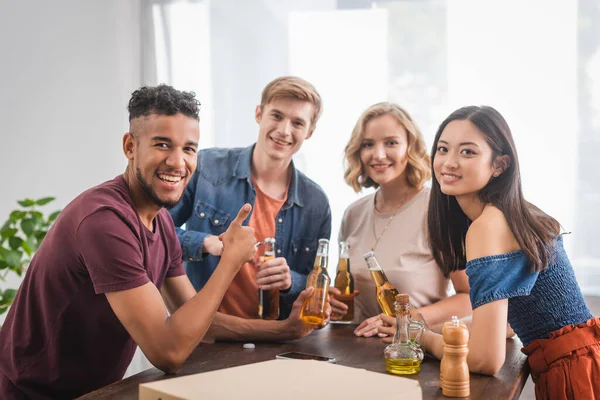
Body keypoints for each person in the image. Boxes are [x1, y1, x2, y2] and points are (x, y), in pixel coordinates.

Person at [0, 85, 322, 400]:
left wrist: (286, 331)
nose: (178, 162)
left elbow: (202, 325)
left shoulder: (162, 220)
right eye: (162, 144)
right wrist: (230, 262)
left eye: (189, 149)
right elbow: (169, 351)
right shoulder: (104, 221)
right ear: (130, 147)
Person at [378, 105, 598, 399]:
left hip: (577, 376)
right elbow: (507, 325)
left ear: (499, 165)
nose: (449, 162)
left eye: (467, 152)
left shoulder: (488, 226)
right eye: (443, 149)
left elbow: (485, 360)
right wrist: (429, 326)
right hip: (585, 363)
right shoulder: (509, 215)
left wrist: (419, 337)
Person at [169, 76, 332, 324]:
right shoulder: (206, 167)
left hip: (276, 339)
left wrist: (291, 281)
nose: (284, 130)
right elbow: (153, 233)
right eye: (276, 116)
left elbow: (316, 282)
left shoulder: (316, 204)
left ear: (309, 131)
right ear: (259, 114)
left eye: (297, 122)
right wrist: (206, 242)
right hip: (204, 333)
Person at [335, 102, 472, 335]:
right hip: (354, 349)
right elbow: (347, 295)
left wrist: (413, 318)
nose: (378, 154)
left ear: (411, 147)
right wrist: (333, 303)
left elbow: (469, 297)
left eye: (391, 143)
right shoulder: (353, 214)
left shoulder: (439, 211)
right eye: (368, 144)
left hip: (414, 351)